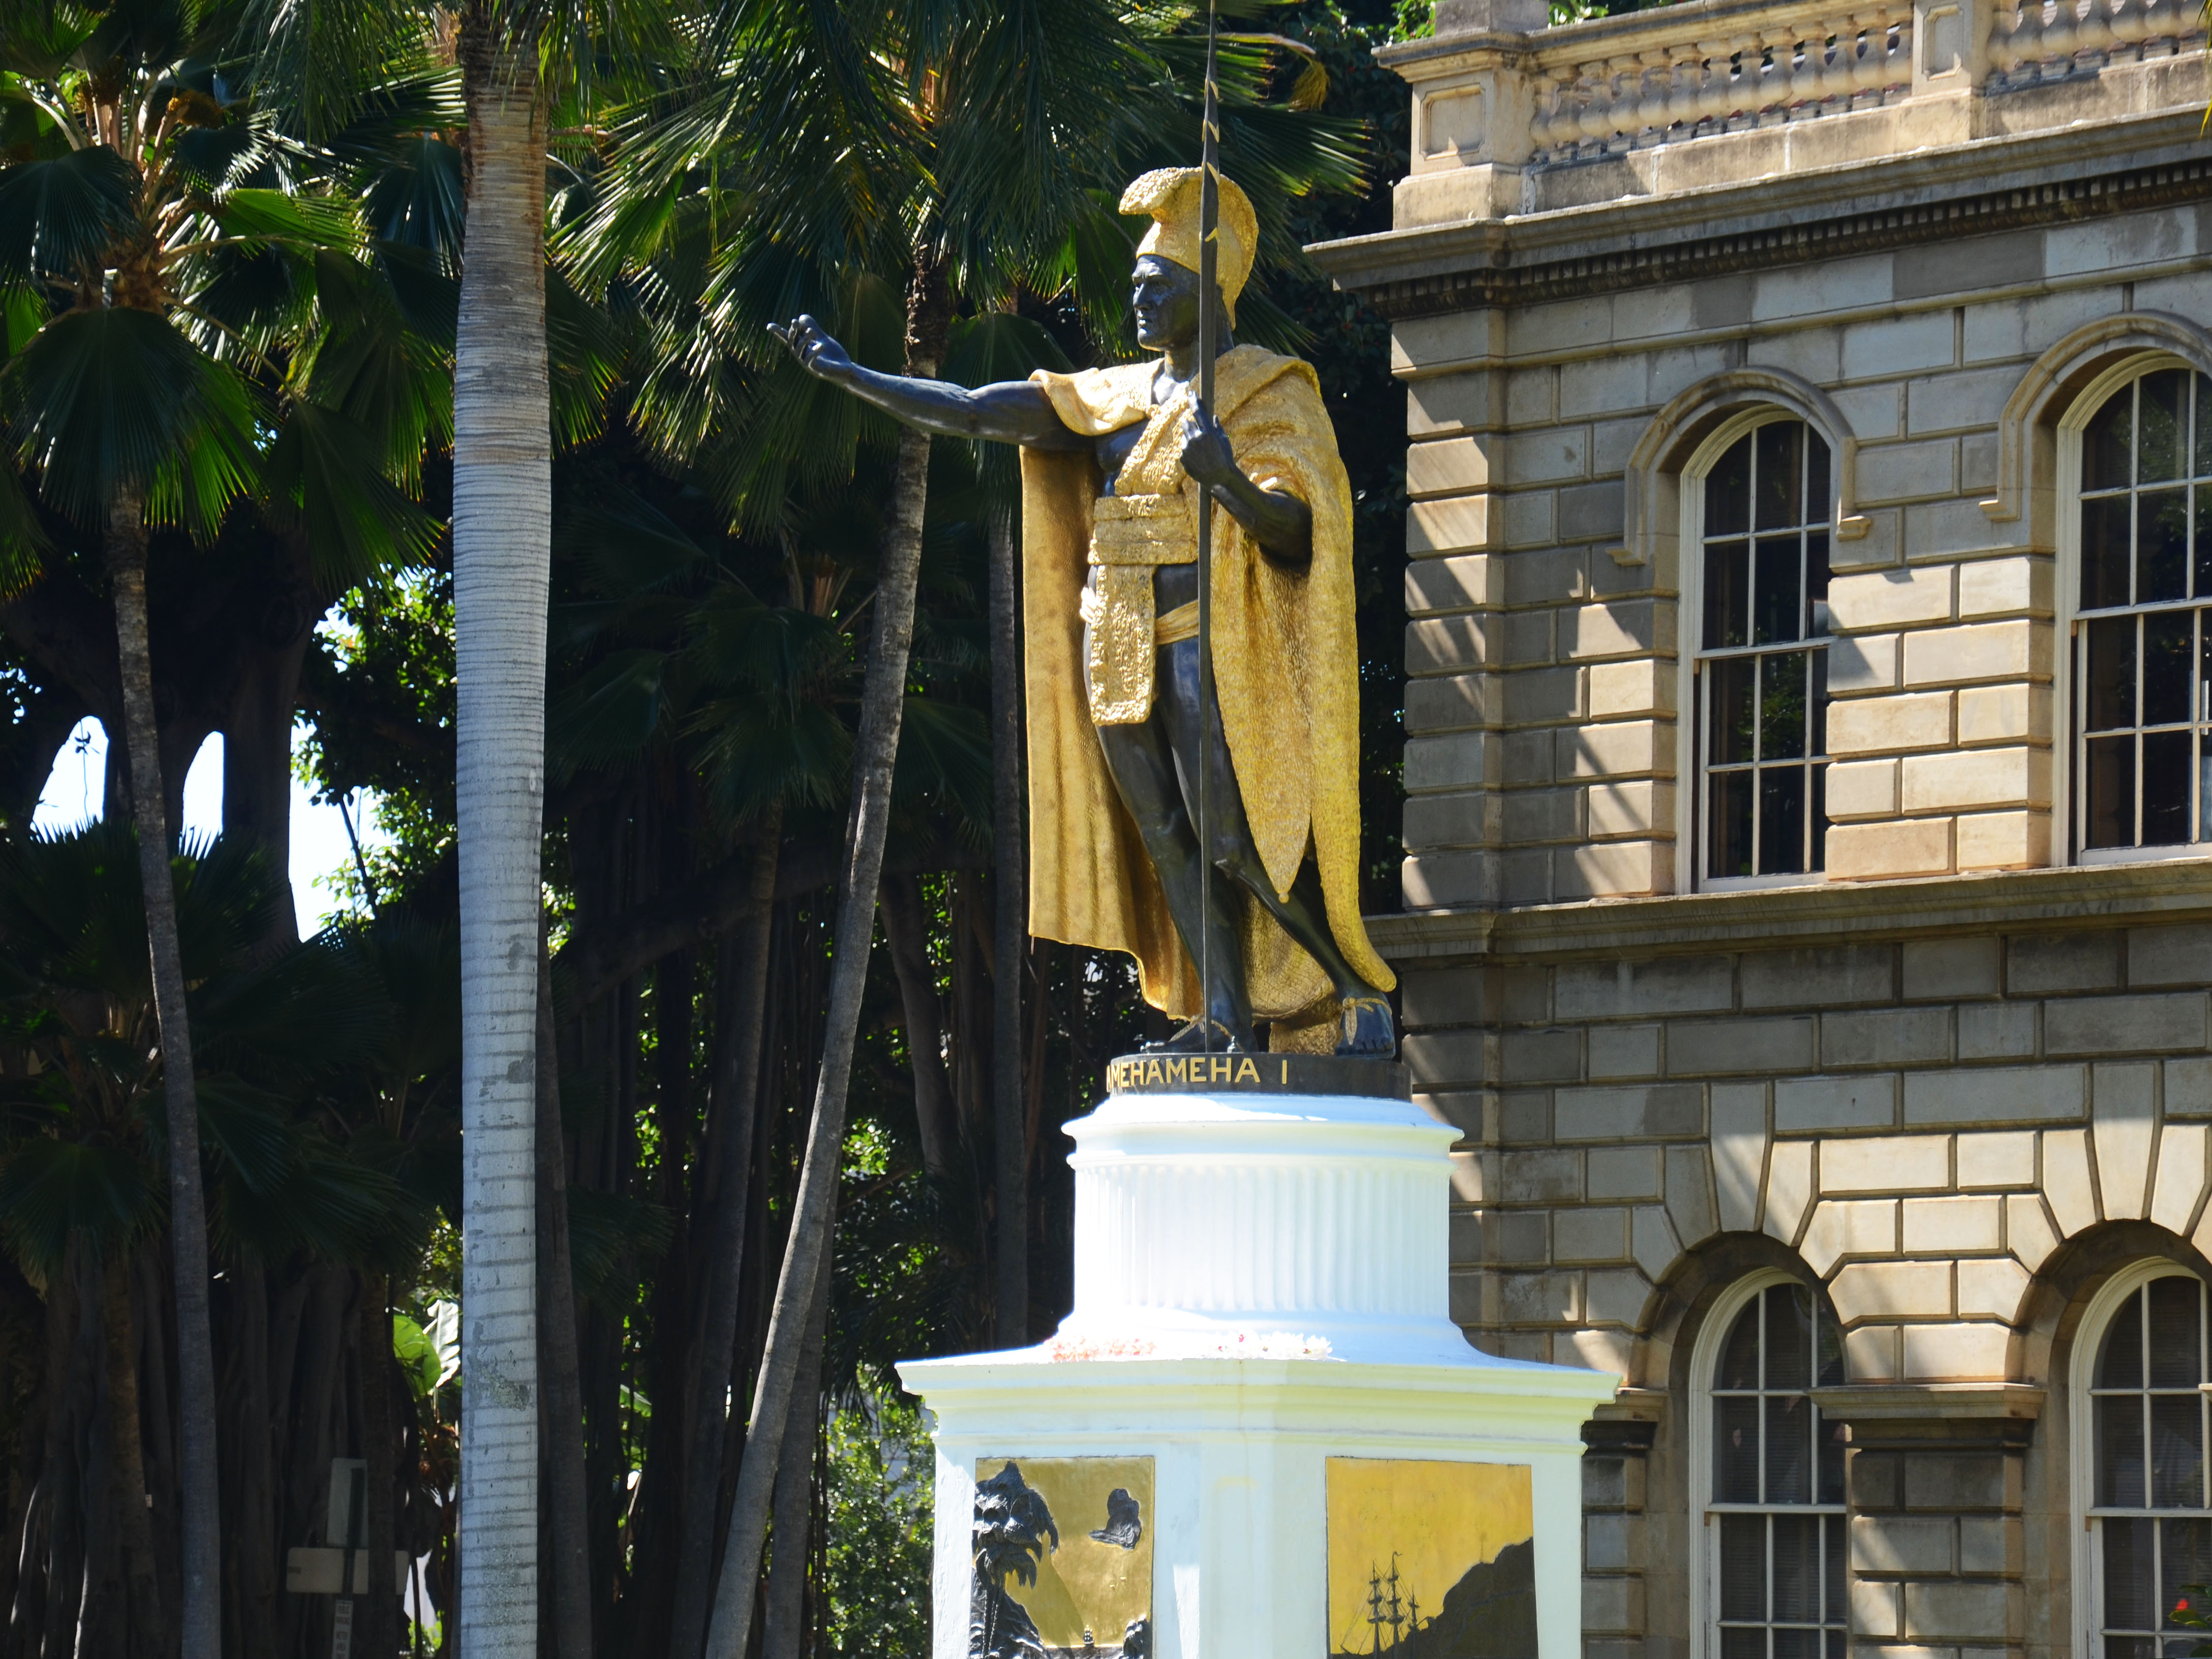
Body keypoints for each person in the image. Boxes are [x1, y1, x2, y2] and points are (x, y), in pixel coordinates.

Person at [773, 168, 1394, 1056]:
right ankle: (1221, 1016)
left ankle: (1348, 987)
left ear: (1207, 290)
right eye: (1135, 287)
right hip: (1118, 642)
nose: (1138, 302)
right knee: (1166, 836)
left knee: (1235, 836)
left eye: (1157, 287)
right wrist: (855, 377)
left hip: (1204, 643)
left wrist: (1229, 485)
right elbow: (977, 412)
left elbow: (1302, 530)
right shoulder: (1112, 400)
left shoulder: (1265, 392)